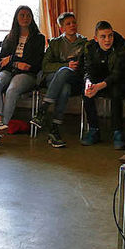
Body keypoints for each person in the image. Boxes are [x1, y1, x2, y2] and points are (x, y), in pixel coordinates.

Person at [0, 6, 45, 144]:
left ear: (32, 18)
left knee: (12, 90)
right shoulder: (9, 37)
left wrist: (11, 60)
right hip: (9, 71)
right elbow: (1, 60)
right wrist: (16, 63)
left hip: (28, 75)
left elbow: (33, 63)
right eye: (22, 15)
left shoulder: (38, 38)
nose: (25, 18)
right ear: (16, 18)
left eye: (28, 15)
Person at [30, 12, 86, 148]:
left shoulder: (84, 43)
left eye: (74, 22)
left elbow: (86, 66)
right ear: (62, 29)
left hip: (75, 79)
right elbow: (45, 66)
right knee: (64, 85)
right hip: (53, 79)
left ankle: (43, 109)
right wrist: (65, 66)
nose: (72, 25)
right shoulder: (55, 43)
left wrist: (72, 68)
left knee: (66, 78)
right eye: (68, 24)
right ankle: (54, 130)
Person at [81, 20, 125, 149]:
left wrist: (99, 86)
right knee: (87, 93)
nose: (108, 40)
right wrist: (89, 84)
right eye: (103, 37)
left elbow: (118, 73)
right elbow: (87, 69)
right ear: (96, 39)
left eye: (110, 36)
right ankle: (94, 129)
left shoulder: (120, 46)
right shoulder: (89, 47)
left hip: (119, 80)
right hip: (98, 79)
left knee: (116, 92)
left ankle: (117, 131)